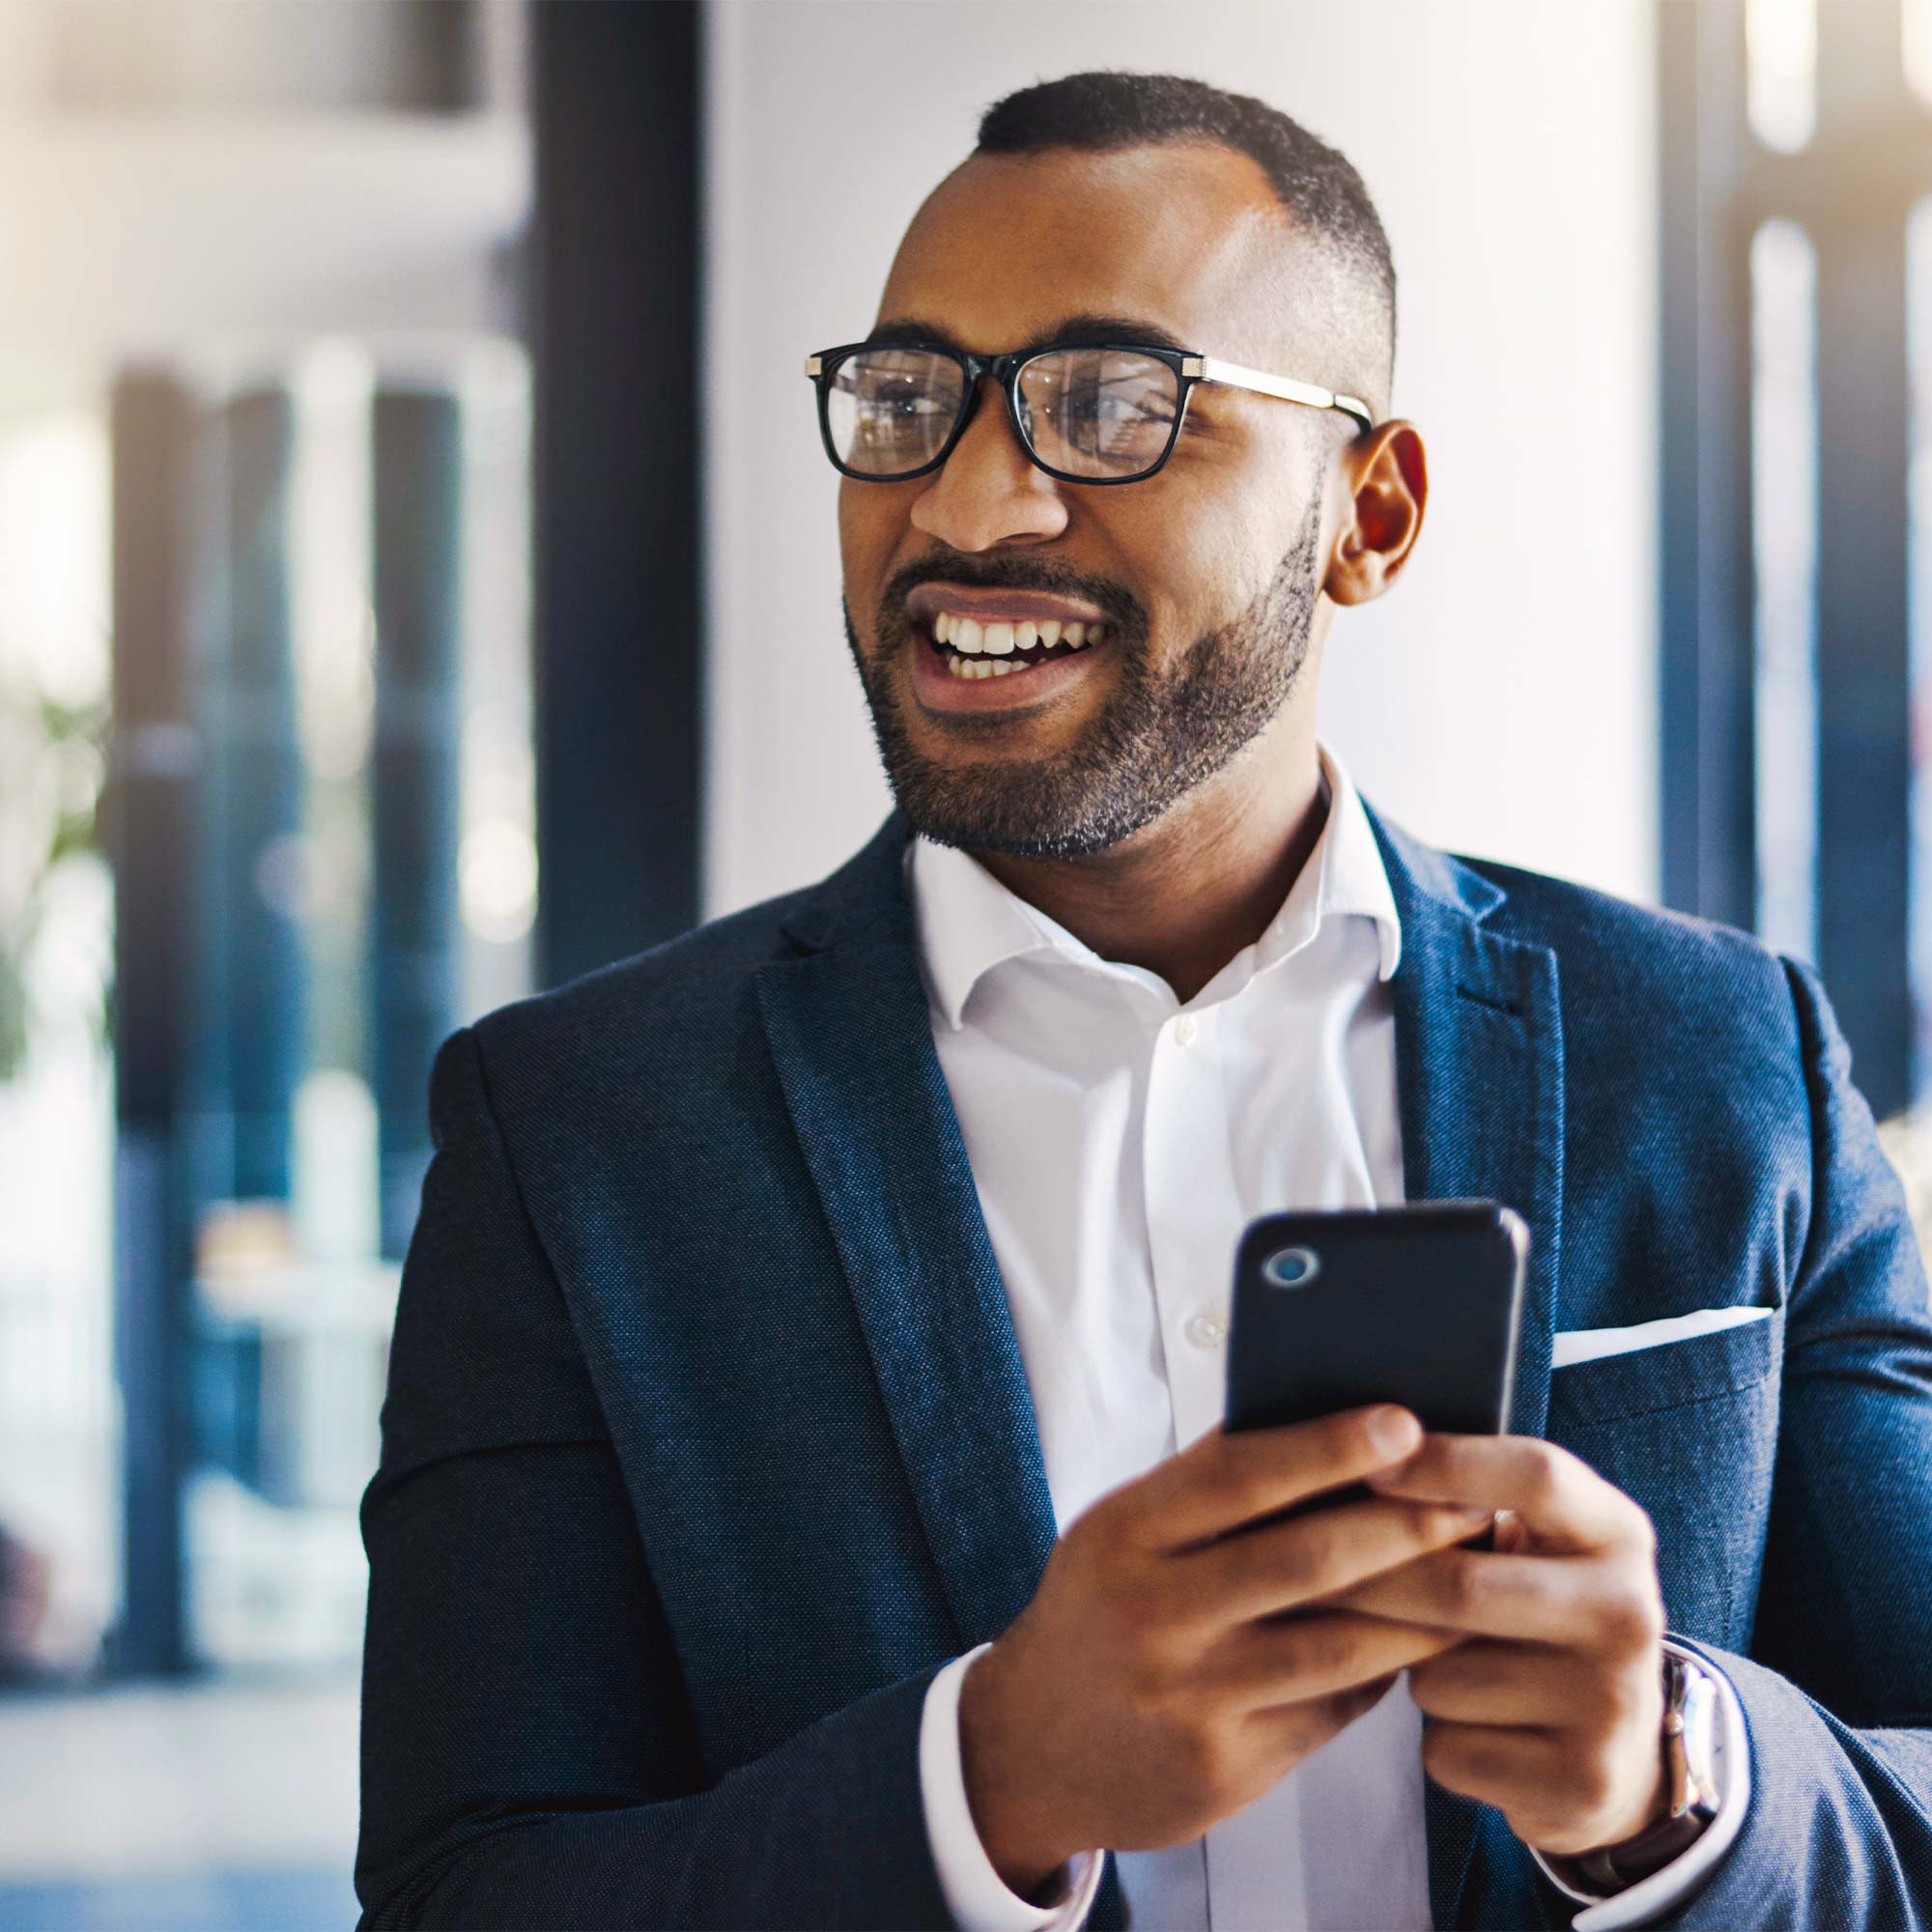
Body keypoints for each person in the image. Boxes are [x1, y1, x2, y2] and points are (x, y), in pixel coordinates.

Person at [355, 71, 1932, 1931]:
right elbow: (470, 1892)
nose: (965, 500)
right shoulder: (579, 1136)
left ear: (1371, 512)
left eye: (1110, 405)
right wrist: (984, 1784)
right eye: (906, 399)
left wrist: (1679, 1784)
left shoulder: (1726, 1059)